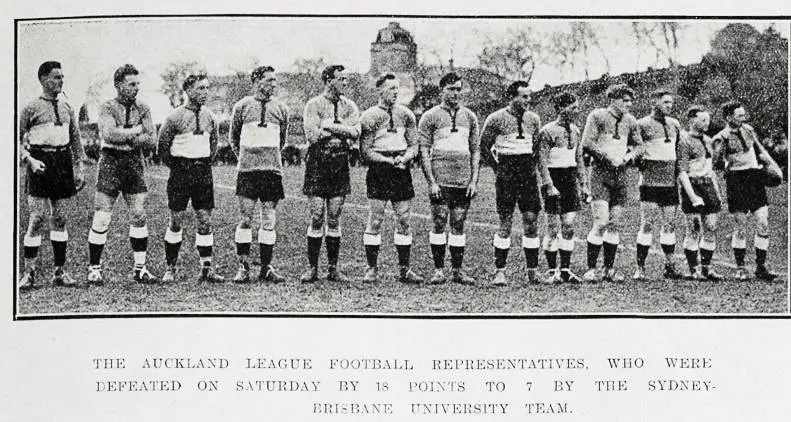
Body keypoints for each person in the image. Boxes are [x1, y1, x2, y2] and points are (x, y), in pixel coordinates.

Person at [18, 61, 87, 289]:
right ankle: (29, 273)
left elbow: (76, 140)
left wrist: (80, 167)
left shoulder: (68, 107)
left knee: (60, 218)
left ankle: (59, 272)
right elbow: (14, 140)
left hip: (62, 163)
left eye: (62, 77)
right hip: (40, 162)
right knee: (37, 218)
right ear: (43, 80)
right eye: (56, 77)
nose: (61, 81)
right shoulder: (30, 108)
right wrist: (29, 160)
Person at [86, 64, 157, 284]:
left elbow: (151, 138)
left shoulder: (143, 108)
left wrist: (127, 135)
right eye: (131, 84)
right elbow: (109, 134)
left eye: (138, 84)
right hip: (111, 161)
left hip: (133, 162)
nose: (136, 88)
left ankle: (140, 268)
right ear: (118, 85)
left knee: (139, 214)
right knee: (102, 215)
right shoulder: (107, 107)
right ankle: (94, 269)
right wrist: (136, 132)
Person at [157, 74, 224, 283]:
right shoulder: (175, 117)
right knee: (176, 221)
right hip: (180, 172)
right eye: (200, 88)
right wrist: (179, 166)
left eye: (206, 88)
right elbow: (162, 148)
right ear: (188, 90)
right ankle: (170, 268)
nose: (205, 92)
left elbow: (213, 146)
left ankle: (206, 268)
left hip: (202, 171)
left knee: (205, 220)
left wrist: (201, 163)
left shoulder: (211, 117)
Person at [359, 73, 424, 284]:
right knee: (376, 218)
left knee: (404, 218)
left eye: (397, 88)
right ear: (379, 90)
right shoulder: (369, 116)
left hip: (401, 168)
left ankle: (405, 269)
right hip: (380, 169)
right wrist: (387, 161)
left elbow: (415, 145)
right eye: (390, 89)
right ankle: (371, 268)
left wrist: (405, 157)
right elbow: (366, 151)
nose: (395, 92)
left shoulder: (406, 114)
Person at [229, 66, 289, 284]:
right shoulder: (242, 106)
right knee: (245, 219)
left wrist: (269, 158)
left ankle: (265, 267)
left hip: (271, 171)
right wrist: (246, 158)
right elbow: (233, 138)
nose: (274, 84)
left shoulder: (281, 108)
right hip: (247, 171)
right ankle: (243, 267)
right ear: (256, 81)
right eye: (269, 80)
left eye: (275, 80)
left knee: (268, 220)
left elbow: (282, 140)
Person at [418, 72, 480, 285]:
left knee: (458, 222)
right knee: (439, 221)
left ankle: (457, 270)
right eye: (451, 89)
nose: (455, 93)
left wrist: (473, 180)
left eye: (458, 89)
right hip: (441, 178)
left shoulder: (470, 116)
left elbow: (475, 150)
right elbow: (424, 150)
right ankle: (438, 270)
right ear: (441, 90)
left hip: (462, 179)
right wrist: (432, 182)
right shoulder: (430, 116)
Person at [300, 65, 360, 283]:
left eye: (346, 78)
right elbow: (313, 136)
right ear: (328, 80)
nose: (345, 82)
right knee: (317, 216)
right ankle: (312, 268)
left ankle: (333, 269)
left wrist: (329, 126)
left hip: (339, 163)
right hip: (318, 163)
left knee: (334, 217)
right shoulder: (313, 105)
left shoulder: (350, 105)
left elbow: (355, 133)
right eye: (341, 79)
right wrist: (341, 129)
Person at [480, 81, 543, 286]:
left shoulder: (534, 119)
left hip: (527, 173)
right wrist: (498, 169)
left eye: (529, 96)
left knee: (531, 220)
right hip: (506, 172)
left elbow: (536, 148)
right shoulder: (496, 118)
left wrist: (531, 169)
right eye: (524, 96)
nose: (528, 100)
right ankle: (500, 271)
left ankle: (532, 271)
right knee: (505, 221)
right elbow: (484, 147)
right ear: (512, 97)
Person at [712, 101, 781, 281]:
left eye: (743, 115)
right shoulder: (721, 137)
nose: (743, 118)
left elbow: (760, 149)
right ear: (729, 118)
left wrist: (773, 166)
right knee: (740, 226)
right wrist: (725, 160)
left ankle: (761, 266)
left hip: (754, 178)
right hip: (737, 180)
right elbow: (716, 163)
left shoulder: (748, 129)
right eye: (739, 115)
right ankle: (740, 268)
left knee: (763, 221)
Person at [581, 84, 643, 283]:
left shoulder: (631, 121)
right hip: (600, 174)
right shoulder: (597, 116)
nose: (629, 104)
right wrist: (608, 157)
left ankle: (609, 269)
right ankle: (591, 269)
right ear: (613, 99)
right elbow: (587, 143)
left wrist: (628, 157)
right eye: (624, 100)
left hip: (622, 176)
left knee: (615, 223)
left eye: (630, 100)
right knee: (601, 222)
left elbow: (639, 146)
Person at [535, 91, 587, 284]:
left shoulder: (576, 130)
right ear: (560, 108)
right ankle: (550, 271)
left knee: (568, 226)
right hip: (553, 179)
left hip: (570, 179)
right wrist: (548, 185)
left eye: (576, 107)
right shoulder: (548, 131)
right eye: (572, 107)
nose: (576, 111)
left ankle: (565, 269)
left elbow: (579, 158)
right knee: (553, 227)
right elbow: (541, 160)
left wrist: (584, 184)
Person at [633, 89, 683, 280]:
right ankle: (640, 268)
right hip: (650, 182)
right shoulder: (642, 124)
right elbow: (635, 149)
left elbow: (678, 151)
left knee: (669, 224)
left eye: (671, 102)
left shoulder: (675, 124)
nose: (669, 106)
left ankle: (670, 266)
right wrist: (641, 165)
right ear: (655, 103)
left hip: (669, 182)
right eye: (665, 102)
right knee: (647, 224)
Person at [677, 105, 724, 281]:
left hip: (708, 186)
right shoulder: (684, 142)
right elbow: (682, 171)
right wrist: (692, 196)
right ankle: (693, 268)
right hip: (693, 185)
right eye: (703, 119)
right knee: (694, 228)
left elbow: (710, 169)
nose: (707, 123)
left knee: (711, 226)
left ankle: (706, 266)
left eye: (708, 119)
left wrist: (717, 191)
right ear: (692, 120)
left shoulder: (708, 140)